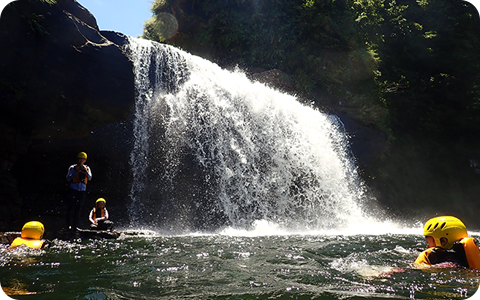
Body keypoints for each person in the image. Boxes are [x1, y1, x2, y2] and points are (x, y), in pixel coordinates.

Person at [413, 216, 480, 269]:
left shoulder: (452, 262)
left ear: (443, 241)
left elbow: (447, 266)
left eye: (427, 236)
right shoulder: (458, 256)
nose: (425, 238)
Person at [65, 152, 92, 230]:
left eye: (83, 159)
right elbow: (68, 178)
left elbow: (90, 178)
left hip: (82, 191)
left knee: (78, 208)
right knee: (71, 207)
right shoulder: (73, 168)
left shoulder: (87, 168)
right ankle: (68, 225)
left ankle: (75, 225)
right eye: (80, 159)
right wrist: (77, 171)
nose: (81, 160)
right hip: (73, 189)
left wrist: (85, 172)